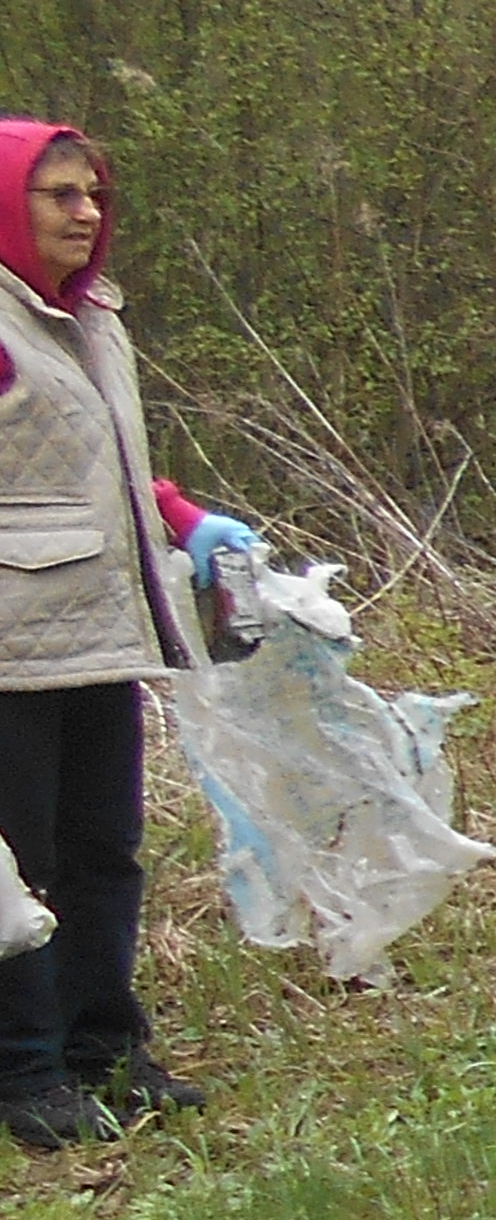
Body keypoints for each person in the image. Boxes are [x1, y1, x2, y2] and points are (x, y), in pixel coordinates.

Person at [0, 120, 253, 1153]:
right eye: (58, 195)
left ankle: (109, 1051)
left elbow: (96, 464)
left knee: (104, 852)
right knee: (16, 874)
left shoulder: (89, 317)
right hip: (11, 647)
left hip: (99, 635)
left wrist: (186, 524)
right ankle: (25, 1077)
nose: (85, 214)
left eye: (94, 195)